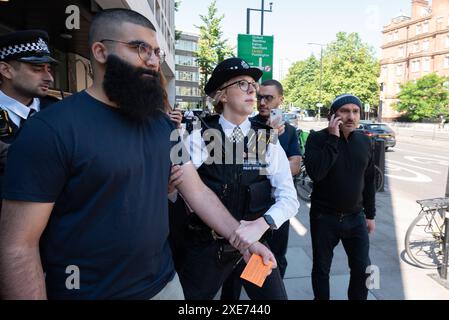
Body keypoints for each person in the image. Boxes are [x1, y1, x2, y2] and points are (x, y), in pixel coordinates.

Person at [0, 9, 274, 300]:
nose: (153, 60)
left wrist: (242, 240)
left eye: (157, 51)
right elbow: (17, 246)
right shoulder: (50, 130)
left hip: (165, 286)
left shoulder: (162, 126)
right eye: (140, 49)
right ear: (100, 51)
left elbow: (198, 191)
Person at [172, 57, 299, 300]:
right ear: (222, 95)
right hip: (207, 252)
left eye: (254, 83)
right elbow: (175, 184)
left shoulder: (267, 140)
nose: (253, 89)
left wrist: (262, 224)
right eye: (242, 83)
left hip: (252, 251)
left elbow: (289, 199)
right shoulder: (198, 137)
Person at [220, 79, 302, 300]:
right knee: (232, 280)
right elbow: (235, 169)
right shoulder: (248, 125)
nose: (262, 101)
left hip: (272, 214)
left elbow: (294, 166)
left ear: (280, 100)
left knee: (272, 267)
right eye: (260, 97)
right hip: (234, 223)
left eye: (269, 97)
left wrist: (269, 147)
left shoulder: (290, 132)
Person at [304, 94, 376, 300]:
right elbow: (317, 173)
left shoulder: (364, 140)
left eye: (355, 111)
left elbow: (369, 180)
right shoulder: (317, 139)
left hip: (356, 218)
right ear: (333, 115)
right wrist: (333, 138)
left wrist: (370, 215)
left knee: (364, 268)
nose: (351, 116)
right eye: (345, 111)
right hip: (324, 217)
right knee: (321, 269)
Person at [0, 30, 59, 192]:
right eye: (37, 69)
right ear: (6, 70)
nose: (49, 78)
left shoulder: (59, 112)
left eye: (48, 69)